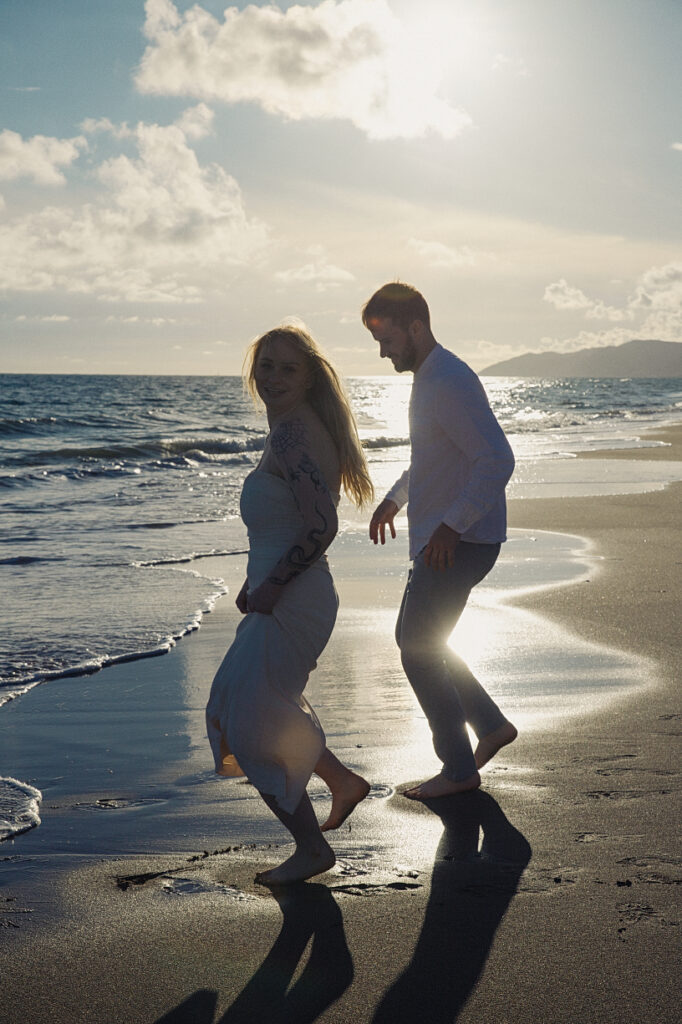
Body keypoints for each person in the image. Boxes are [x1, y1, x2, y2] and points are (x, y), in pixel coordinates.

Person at [206, 325, 374, 884]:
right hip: (282, 592)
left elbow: (321, 526)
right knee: (253, 704)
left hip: (293, 597)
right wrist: (258, 582)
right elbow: (287, 525)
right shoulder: (291, 430)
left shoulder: (292, 437)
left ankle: (311, 849)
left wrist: (274, 584)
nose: (272, 377)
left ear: (308, 378)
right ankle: (342, 781)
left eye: (286, 368)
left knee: (247, 718)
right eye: (265, 365)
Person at [363, 282, 517, 800]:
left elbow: (497, 459)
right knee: (425, 642)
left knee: (416, 648)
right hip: (452, 535)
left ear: (415, 327)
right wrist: (394, 499)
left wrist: (451, 525)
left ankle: (457, 769)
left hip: (461, 540)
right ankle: (490, 725)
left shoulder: (448, 380)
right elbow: (433, 459)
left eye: (385, 338)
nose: (381, 351)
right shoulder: (431, 378)